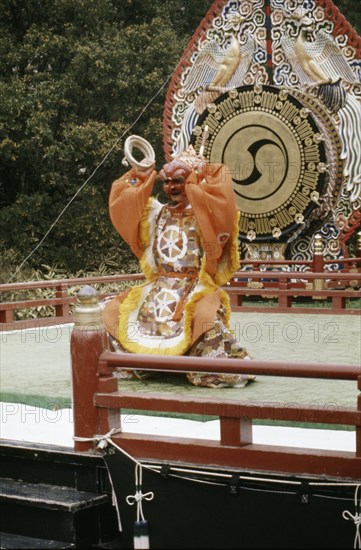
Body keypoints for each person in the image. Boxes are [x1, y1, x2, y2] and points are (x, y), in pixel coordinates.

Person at [103, 143, 254, 388]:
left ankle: (204, 368)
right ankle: (140, 367)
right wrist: (140, 175)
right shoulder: (156, 213)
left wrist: (199, 179)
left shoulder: (207, 215)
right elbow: (125, 203)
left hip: (193, 285)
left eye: (178, 181)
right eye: (166, 181)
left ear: (192, 182)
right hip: (159, 286)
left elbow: (223, 200)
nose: (170, 187)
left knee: (205, 316)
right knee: (109, 310)